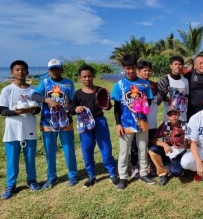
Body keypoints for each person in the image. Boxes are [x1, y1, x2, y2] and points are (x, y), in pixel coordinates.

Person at [67, 64, 118, 187]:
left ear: (93, 76)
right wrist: (76, 108)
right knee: (87, 149)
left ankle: (112, 174)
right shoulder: (78, 94)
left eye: (90, 76)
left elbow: (107, 107)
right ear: (80, 78)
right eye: (84, 77)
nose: (87, 79)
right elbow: (71, 108)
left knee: (106, 148)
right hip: (84, 124)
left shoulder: (100, 90)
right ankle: (91, 176)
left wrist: (108, 102)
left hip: (100, 122)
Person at [0, 60, 42, 199]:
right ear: (12, 72)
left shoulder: (33, 90)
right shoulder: (7, 90)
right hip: (12, 131)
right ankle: (11, 185)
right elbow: (3, 111)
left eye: (23, 69)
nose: (20, 72)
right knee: (12, 160)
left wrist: (33, 110)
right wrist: (17, 112)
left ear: (27, 72)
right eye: (17, 69)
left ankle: (32, 181)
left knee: (30, 158)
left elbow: (38, 109)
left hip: (29, 129)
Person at [31, 59, 78, 188]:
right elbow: (34, 96)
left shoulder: (68, 83)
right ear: (48, 71)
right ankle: (52, 177)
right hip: (48, 122)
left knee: (69, 150)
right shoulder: (44, 82)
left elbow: (73, 100)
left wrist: (68, 108)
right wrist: (47, 99)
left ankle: (73, 176)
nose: (55, 71)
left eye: (57, 68)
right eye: (52, 69)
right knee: (50, 151)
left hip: (65, 121)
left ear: (62, 69)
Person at [111, 54, 155, 190]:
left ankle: (143, 173)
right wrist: (118, 124)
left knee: (143, 148)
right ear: (124, 68)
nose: (130, 71)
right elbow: (117, 107)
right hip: (125, 123)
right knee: (124, 151)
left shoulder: (144, 83)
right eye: (127, 68)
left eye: (133, 68)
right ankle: (123, 177)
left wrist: (143, 103)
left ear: (136, 67)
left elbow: (150, 100)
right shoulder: (118, 85)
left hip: (142, 121)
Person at [130, 60, 162, 178]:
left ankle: (149, 166)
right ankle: (134, 167)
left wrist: (164, 97)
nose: (147, 72)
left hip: (152, 121)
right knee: (135, 146)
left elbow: (157, 101)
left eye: (149, 70)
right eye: (145, 70)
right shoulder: (134, 86)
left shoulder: (154, 85)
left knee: (148, 145)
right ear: (138, 71)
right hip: (138, 122)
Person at [149, 106, 188, 185]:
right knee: (152, 150)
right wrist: (164, 144)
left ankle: (170, 166)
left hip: (178, 153)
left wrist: (183, 144)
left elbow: (191, 141)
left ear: (179, 114)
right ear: (167, 116)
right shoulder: (165, 125)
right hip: (168, 150)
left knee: (177, 172)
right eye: (171, 115)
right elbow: (152, 139)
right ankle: (162, 173)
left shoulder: (184, 125)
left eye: (175, 114)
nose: (173, 116)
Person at [157, 56, 189, 122]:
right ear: (170, 66)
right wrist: (164, 94)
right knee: (167, 132)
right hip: (168, 118)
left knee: (181, 132)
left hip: (181, 117)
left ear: (182, 66)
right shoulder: (165, 80)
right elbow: (159, 100)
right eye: (175, 64)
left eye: (180, 64)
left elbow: (186, 98)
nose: (178, 66)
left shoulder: (185, 81)